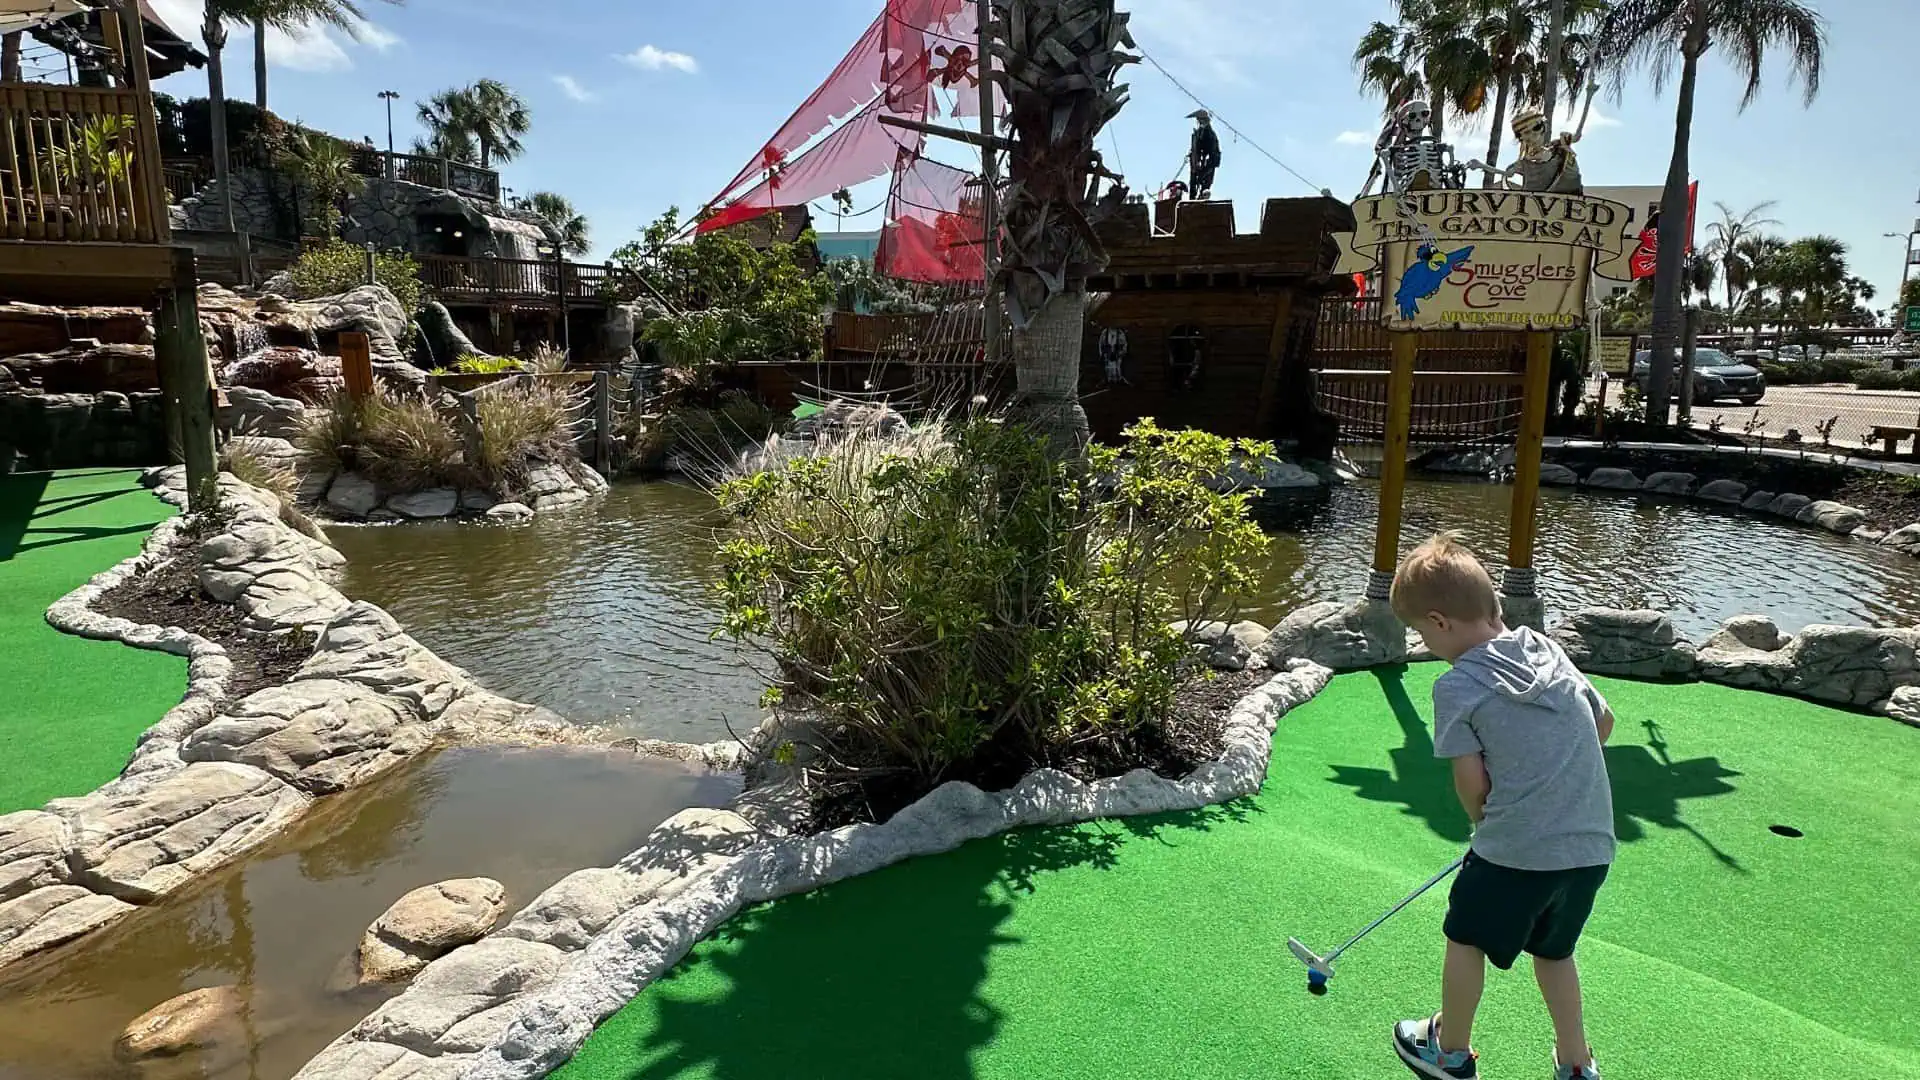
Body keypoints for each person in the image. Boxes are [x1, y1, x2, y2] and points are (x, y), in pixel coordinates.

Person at [1388, 533, 1616, 1080]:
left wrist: (1483, 827)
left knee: (1465, 939)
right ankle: (1576, 1063)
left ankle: (1449, 1050)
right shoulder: (1547, 649)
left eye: (1421, 631)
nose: (1425, 642)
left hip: (1512, 850)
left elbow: (1472, 783)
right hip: (1590, 850)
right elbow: (1603, 722)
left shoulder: (1458, 684)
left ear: (1440, 622)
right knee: (1555, 952)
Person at [1187, 110, 1220, 199]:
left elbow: (1211, 151)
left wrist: (1204, 163)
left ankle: (1200, 198)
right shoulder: (1199, 132)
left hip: (1207, 164)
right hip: (1200, 164)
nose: (1198, 121)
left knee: (1204, 184)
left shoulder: (1209, 133)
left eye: (1199, 119)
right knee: (1194, 184)